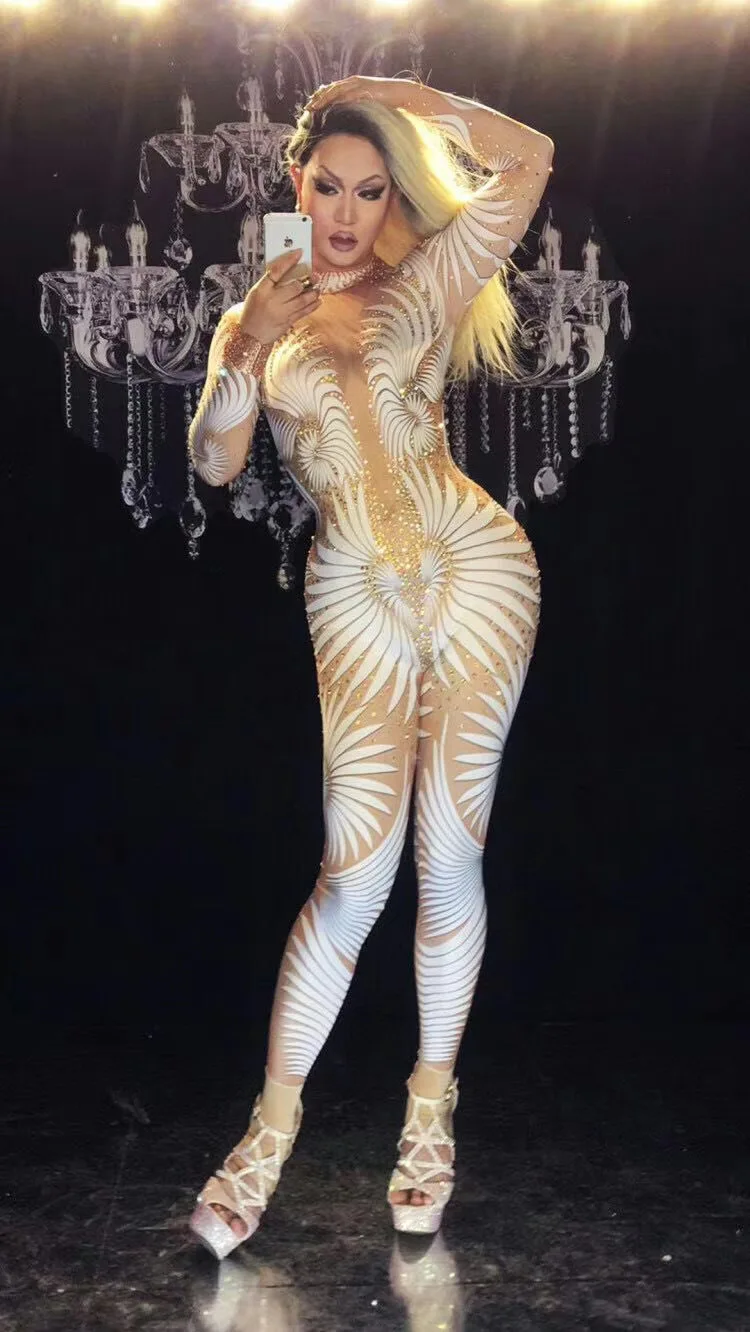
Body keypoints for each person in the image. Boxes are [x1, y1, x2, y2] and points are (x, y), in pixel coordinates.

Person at [187, 74, 554, 1259]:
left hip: (477, 569)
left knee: (451, 853)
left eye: (369, 190)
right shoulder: (256, 322)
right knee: (355, 876)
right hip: (352, 585)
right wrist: (247, 339)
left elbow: (530, 158)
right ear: (295, 187)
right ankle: (268, 1134)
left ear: (391, 196)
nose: (345, 213)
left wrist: (393, 93)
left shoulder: (425, 282)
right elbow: (216, 462)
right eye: (327, 187)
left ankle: (429, 1114)